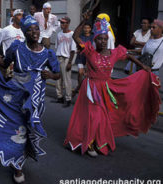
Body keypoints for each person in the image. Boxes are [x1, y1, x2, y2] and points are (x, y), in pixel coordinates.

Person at [64, 12, 161, 157]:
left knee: (101, 117)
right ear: (95, 40)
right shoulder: (90, 51)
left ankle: (97, 141)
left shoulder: (114, 53)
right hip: (90, 89)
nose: (103, 41)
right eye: (100, 39)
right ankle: (89, 144)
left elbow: (128, 55)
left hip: (105, 89)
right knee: (93, 115)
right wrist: (83, 22)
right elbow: (75, 37)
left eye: (105, 39)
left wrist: (143, 66)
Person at [0, 15, 60, 184]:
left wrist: (51, 75)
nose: (34, 32)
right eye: (29, 30)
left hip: (35, 101)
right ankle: (18, 165)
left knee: (28, 130)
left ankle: (20, 157)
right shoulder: (16, 48)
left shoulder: (48, 53)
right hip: (14, 97)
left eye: (36, 29)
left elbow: (58, 74)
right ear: (24, 33)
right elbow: (3, 63)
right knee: (18, 130)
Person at [0, 9, 25, 78]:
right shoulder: (6, 30)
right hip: (9, 64)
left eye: (22, 15)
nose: (21, 17)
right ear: (14, 17)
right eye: (19, 15)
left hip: (21, 63)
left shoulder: (24, 30)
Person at [55, 16, 76, 107]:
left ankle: (68, 99)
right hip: (59, 57)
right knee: (58, 79)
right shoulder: (59, 34)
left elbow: (73, 50)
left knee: (67, 79)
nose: (62, 24)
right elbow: (57, 46)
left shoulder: (72, 34)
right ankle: (59, 97)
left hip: (67, 58)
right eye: (61, 22)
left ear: (68, 23)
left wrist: (70, 62)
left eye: (64, 23)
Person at [73, 22, 93, 96]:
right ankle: (80, 86)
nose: (86, 29)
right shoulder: (80, 37)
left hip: (89, 58)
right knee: (80, 72)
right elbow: (78, 45)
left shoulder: (93, 37)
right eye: (85, 28)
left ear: (90, 29)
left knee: (87, 74)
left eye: (88, 28)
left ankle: (85, 88)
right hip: (81, 57)